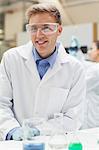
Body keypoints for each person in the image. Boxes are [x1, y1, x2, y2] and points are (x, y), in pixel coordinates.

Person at [0, 3, 86, 140]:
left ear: (59, 30)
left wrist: (38, 131)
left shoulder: (74, 68)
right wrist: (12, 130)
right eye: (33, 28)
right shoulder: (11, 59)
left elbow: (72, 117)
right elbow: (1, 103)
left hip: (53, 142)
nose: (39, 35)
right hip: (14, 143)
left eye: (46, 28)